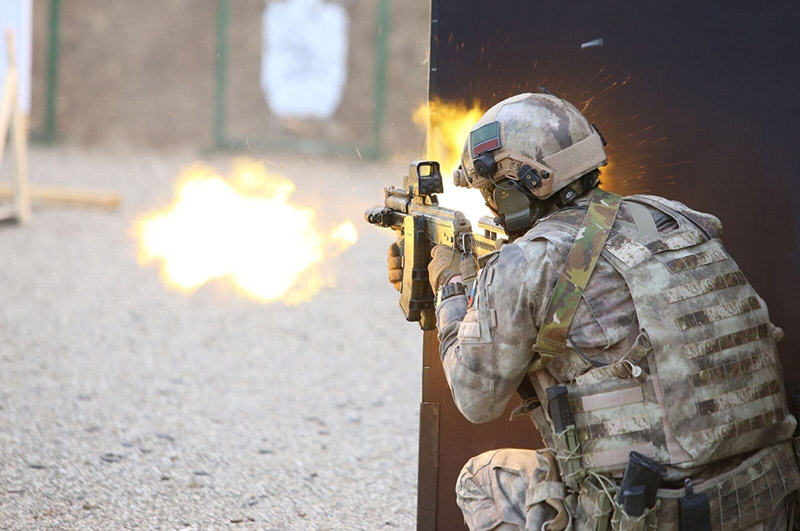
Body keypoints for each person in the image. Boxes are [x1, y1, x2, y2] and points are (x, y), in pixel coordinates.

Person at [388, 93, 800, 530]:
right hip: (768, 501)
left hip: (651, 516)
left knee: (481, 479)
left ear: (517, 188)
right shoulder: (676, 219)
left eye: (492, 192)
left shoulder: (528, 265)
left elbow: (476, 396)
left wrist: (451, 288)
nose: (491, 204)